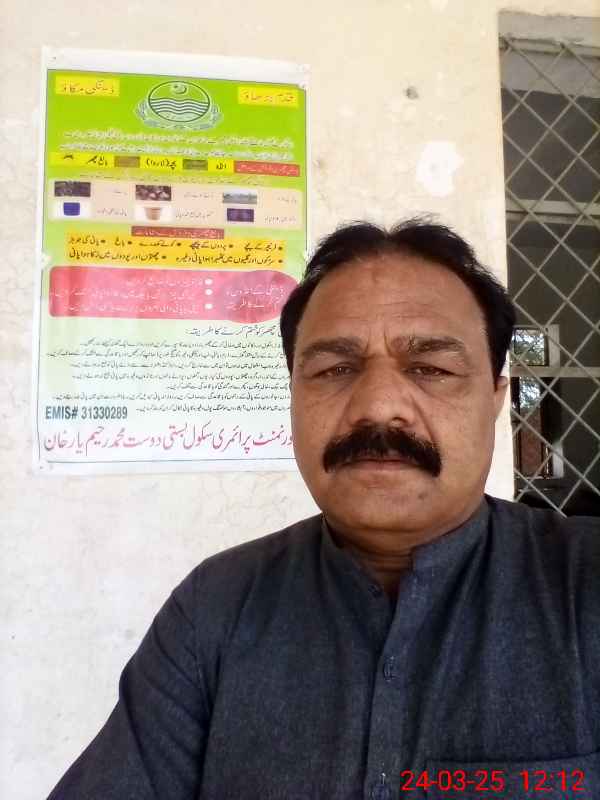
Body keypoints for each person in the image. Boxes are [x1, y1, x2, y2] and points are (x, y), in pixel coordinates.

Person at [48, 219, 600, 800]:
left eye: (431, 369)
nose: (378, 406)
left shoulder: (584, 585)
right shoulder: (215, 609)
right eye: (335, 370)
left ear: (495, 400)